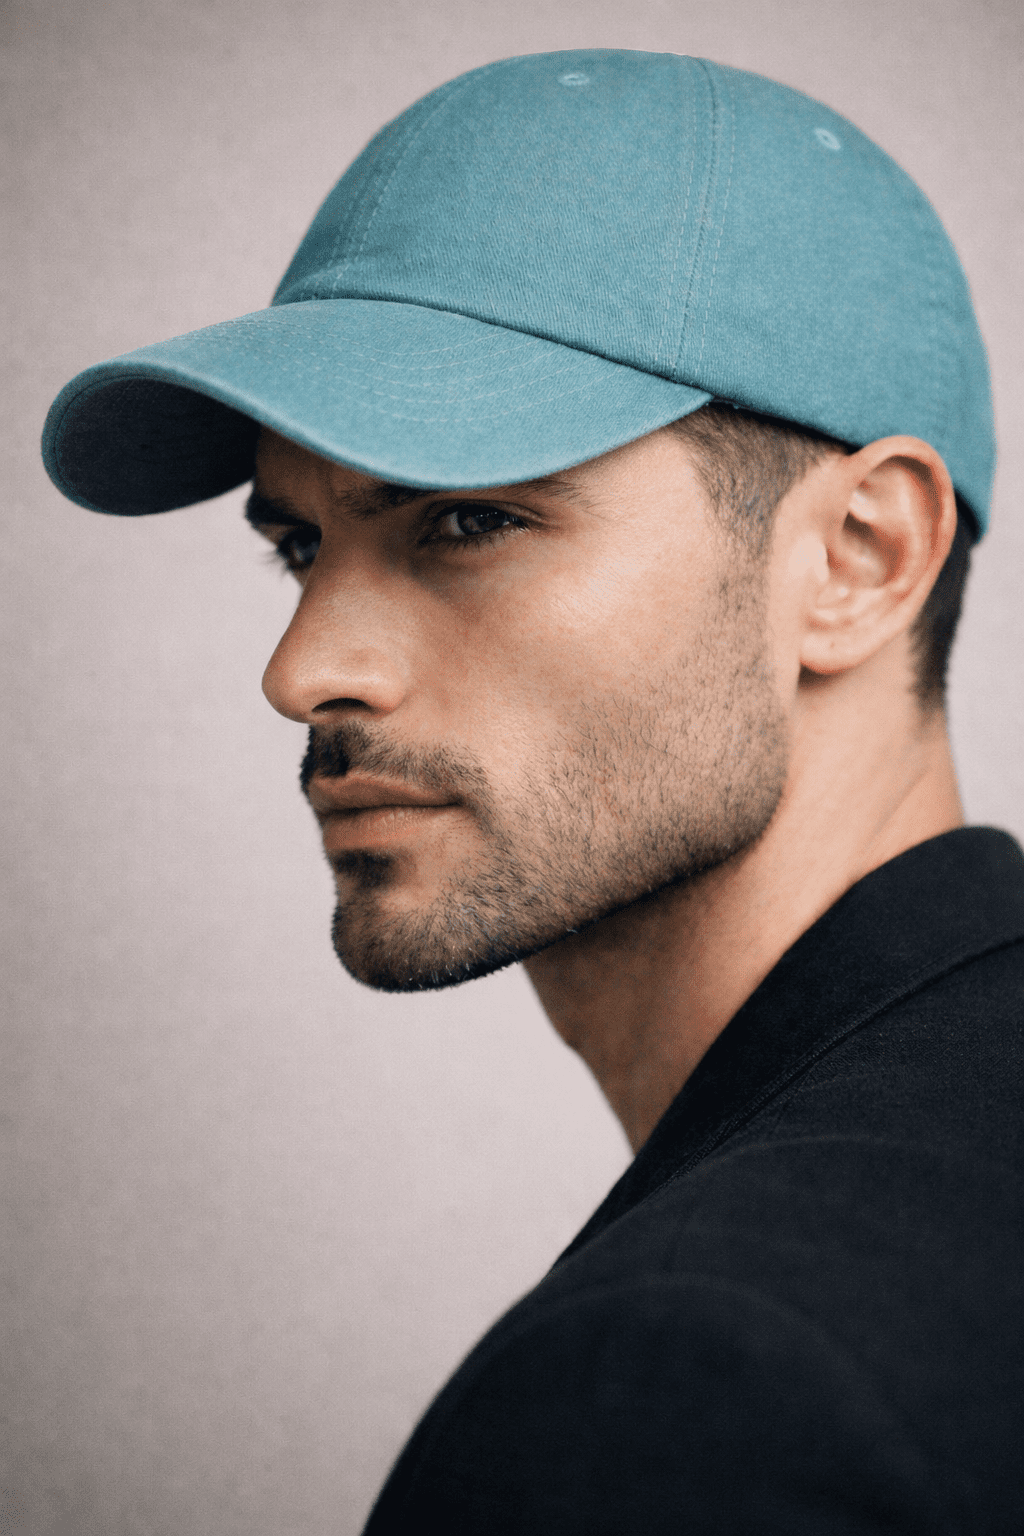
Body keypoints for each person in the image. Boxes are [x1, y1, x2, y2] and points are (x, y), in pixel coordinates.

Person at [42, 49, 1021, 1534]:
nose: (302, 671)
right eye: (299, 546)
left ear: (858, 559)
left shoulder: (691, 1400)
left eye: (467, 520)